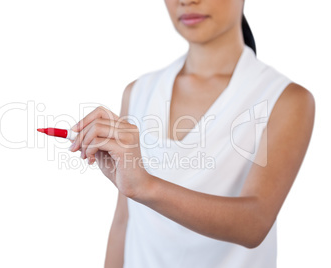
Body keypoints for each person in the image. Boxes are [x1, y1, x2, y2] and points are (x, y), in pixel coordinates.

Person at [68, 0, 315, 267]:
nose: (186, 0)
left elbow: (255, 222)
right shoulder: (138, 91)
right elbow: (124, 221)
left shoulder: (285, 99)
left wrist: (147, 186)